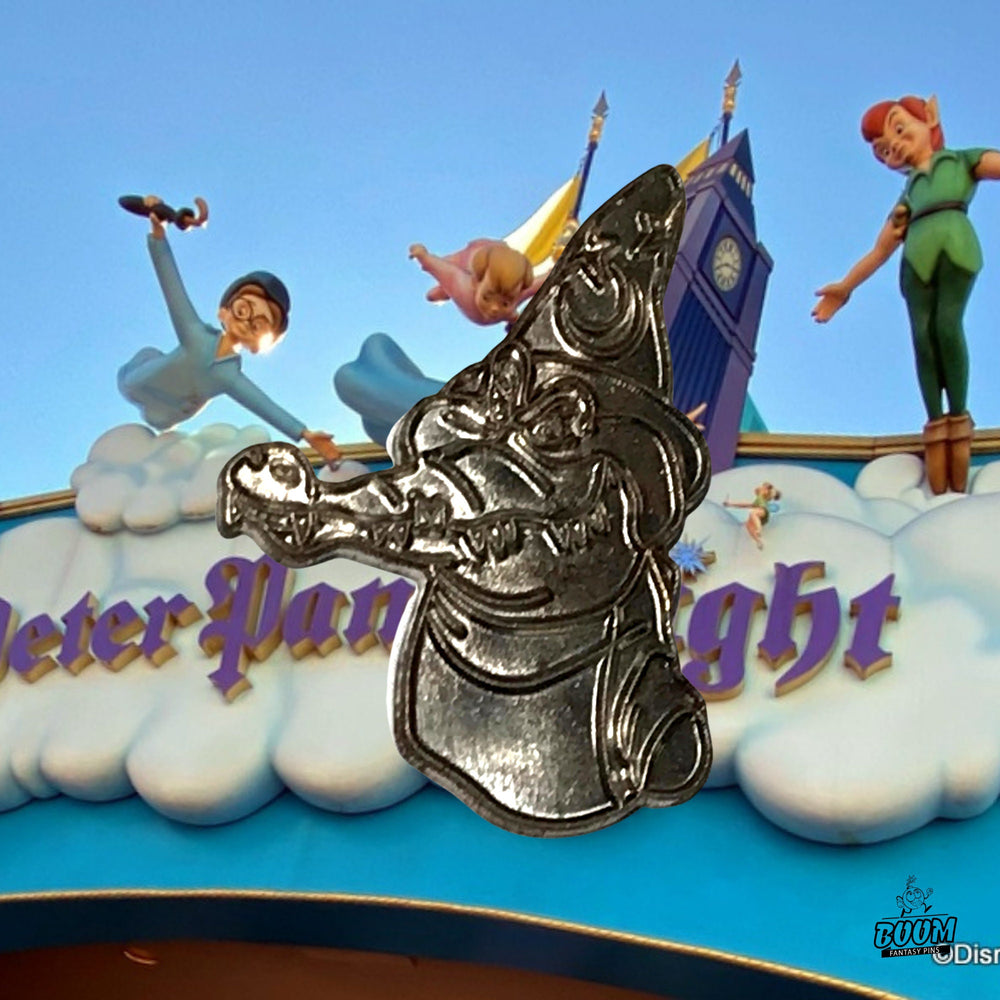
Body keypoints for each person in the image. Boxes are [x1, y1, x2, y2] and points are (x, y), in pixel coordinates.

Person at [812, 95, 1000, 494]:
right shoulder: (908, 197)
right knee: (922, 338)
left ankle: (958, 417)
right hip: (915, 264)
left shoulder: (960, 161)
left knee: (947, 326)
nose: (894, 146)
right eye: (883, 149)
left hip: (955, 248)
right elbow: (880, 250)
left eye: (899, 129)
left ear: (929, 116)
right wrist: (845, 287)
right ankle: (936, 424)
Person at [118, 196, 340, 465]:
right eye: (243, 310)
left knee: (160, 420)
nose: (246, 323)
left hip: (169, 412)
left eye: (258, 325)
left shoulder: (229, 376)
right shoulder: (195, 334)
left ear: (260, 343)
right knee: (135, 376)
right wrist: (158, 236)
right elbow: (172, 287)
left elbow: (264, 405)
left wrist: (305, 434)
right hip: (143, 381)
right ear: (224, 310)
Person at [409, 239, 546, 326]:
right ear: (475, 283)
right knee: (434, 293)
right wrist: (422, 255)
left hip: (495, 253)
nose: (494, 308)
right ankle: (443, 290)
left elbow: (541, 282)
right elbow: (437, 266)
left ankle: (445, 290)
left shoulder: (515, 292)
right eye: (486, 298)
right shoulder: (462, 286)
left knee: (511, 312)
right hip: (468, 258)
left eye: (505, 303)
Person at [724, 482, 781, 550]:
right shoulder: (757, 500)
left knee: (753, 513)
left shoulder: (764, 496)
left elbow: (771, 492)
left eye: (762, 487)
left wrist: (769, 488)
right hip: (760, 517)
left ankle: (759, 530)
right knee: (748, 525)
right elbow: (744, 505)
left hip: (763, 512)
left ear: (765, 490)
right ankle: (758, 541)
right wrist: (730, 504)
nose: (759, 488)